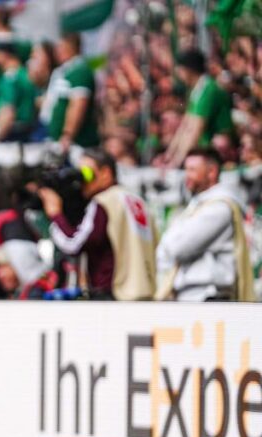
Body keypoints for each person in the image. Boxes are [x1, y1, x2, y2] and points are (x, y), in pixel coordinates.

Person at [37, 149, 158, 300]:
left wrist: (56, 213)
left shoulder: (104, 202)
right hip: (145, 293)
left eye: (86, 173)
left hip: (114, 296)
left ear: (106, 173)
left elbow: (73, 244)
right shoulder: (138, 202)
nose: (81, 181)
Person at [156, 148, 255, 302]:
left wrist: (168, 241)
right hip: (193, 294)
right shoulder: (199, 205)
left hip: (208, 295)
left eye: (192, 170)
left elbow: (179, 247)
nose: (186, 175)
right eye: (185, 169)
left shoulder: (220, 208)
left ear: (212, 172)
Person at [164, 49, 234, 168]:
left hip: (219, 150)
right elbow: (185, 126)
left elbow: (195, 130)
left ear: (189, 69)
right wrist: (169, 157)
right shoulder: (196, 90)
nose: (178, 73)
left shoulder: (208, 90)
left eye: (180, 69)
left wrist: (176, 163)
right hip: (206, 146)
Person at [40, 33, 98, 151]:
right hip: (55, 140)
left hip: (76, 145)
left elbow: (78, 104)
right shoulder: (64, 71)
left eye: (61, 47)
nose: (57, 51)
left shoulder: (80, 71)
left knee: (83, 170)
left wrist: (67, 135)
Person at [0, 43, 37, 146]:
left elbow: (8, 110)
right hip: (26, 134)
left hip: (9, 135)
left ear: (4, 54)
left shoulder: (10, 77)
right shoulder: (25, 75)